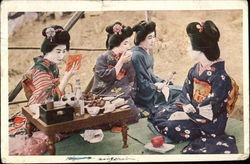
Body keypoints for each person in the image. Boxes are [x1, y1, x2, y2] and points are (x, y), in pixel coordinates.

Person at [149, 20, 238, 154]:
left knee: (172, 126)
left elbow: (213, 106)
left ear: (201, 49)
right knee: (161, 112)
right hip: (191, 109)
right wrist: (185, 106)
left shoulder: (220, 77)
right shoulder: (194, 69)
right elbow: (185, 92)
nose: (187, 49)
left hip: (209, 121)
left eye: (189, 45)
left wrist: (186, 114)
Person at [91, 22, 140, 125]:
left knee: (135, 115)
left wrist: (130, 90)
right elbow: (103, 77)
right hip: (104, 93)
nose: (128, 46)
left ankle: (111, 121)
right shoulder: (103, 58)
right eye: (125, 43)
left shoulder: (126, 57)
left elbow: (131, 78)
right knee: (100, 117)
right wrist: (120, 62)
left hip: (121, 93)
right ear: (116, 44)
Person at [131, 20, 181, 114]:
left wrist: (162, 82)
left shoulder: (143, 52)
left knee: (176, 89)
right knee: (180, 92)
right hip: (145, 95)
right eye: (149, 37)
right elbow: (142, 84)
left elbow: (150, 75)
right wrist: (157, 87)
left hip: (150, 89)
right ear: (141, 38)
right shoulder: (137, 55)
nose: (153, 40)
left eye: (154, 37)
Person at [27, 25, 79, 105]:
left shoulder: (52, 65)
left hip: (53, 106)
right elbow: (49, 100)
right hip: (39, 109)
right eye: (58, 51)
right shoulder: (41, 70)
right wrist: (66, 77)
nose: (61, 56)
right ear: (47, 49)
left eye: (64, 51)